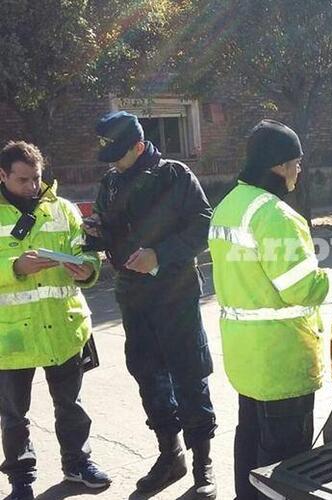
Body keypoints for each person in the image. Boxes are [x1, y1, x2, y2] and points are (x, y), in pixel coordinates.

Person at [207, 119, 332, 499]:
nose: (300, 170)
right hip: (280, 359)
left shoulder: (228, 206)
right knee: (284, 463)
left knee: (249, 440)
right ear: (280, 165)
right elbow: (304, 288)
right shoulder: (276, 215)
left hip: (245, 355)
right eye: (297, 162)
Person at [84, 111, 217, 498]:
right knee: (148, 376)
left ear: (139, 146)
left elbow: (203, 224)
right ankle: (170, 454)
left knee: (189, 376)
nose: (113, 162)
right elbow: (110, 228)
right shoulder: (111, 181)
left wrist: (159, 255)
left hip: (175, 295)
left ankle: (202, 466)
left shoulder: (174, 175)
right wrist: (95, 234)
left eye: (120, 154)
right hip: (133, 296)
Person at [0, 141, 108, 500]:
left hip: (64, 327)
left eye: (37, 178)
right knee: (14, 416)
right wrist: (16, 267)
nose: (32, 186)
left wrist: (86, 269)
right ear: (3, 175)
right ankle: (21, 479)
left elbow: (87, 252)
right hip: (11, 338)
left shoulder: (63, 210)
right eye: (23, 180)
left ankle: (77, 464)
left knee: (72, 406)